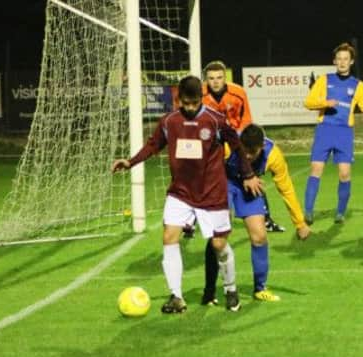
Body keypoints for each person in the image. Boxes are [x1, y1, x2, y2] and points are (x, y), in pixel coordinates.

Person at [111, 76, 261, 313]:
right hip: (181, 192)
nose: (190, 108)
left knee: (219, 244)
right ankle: (176, 296)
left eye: (194, 103)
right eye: (186, 103)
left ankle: (230, 289)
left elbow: (238, 147)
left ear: (200, 99)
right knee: (169, 237)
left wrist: (248, 174)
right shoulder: (169, 121)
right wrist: (130, 162)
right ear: (178, 99)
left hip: (212, 193)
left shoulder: (216, 120)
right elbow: (153, 145)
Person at [202, 124, 312, 305]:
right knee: (218, 235)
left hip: (250, 189)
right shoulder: (228, 145)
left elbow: (286, 189)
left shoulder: (273, 155)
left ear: (261, 146)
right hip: (224, 183)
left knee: (260, 236)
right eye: (245, 151)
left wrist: (299, 223)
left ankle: (260, 289)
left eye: (252, 152)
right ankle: (210, 290)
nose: (247, 156)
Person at [202, 60, 285, 233]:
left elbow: (246, 119)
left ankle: (266, 219)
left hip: (235, 141)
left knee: (251, 176)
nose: (215, 81)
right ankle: (195, 217)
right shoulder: (200, 95)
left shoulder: (238, 93)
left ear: (225, 78)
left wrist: (239, 144)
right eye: (211, 78)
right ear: (206, 80)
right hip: (211, 142)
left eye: (219, 77)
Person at [303, 42, 363, 224]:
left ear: (352, 62)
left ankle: (340, 213)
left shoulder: (359, 86)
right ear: (334, 61)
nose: (342, 62)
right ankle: (308, 212)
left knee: (345, 174)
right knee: (316, 170)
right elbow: (308, 102)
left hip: (344, 133)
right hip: (325, 130)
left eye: (346, 59)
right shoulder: (324, 80)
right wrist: (325, 103)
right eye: (339, 59)